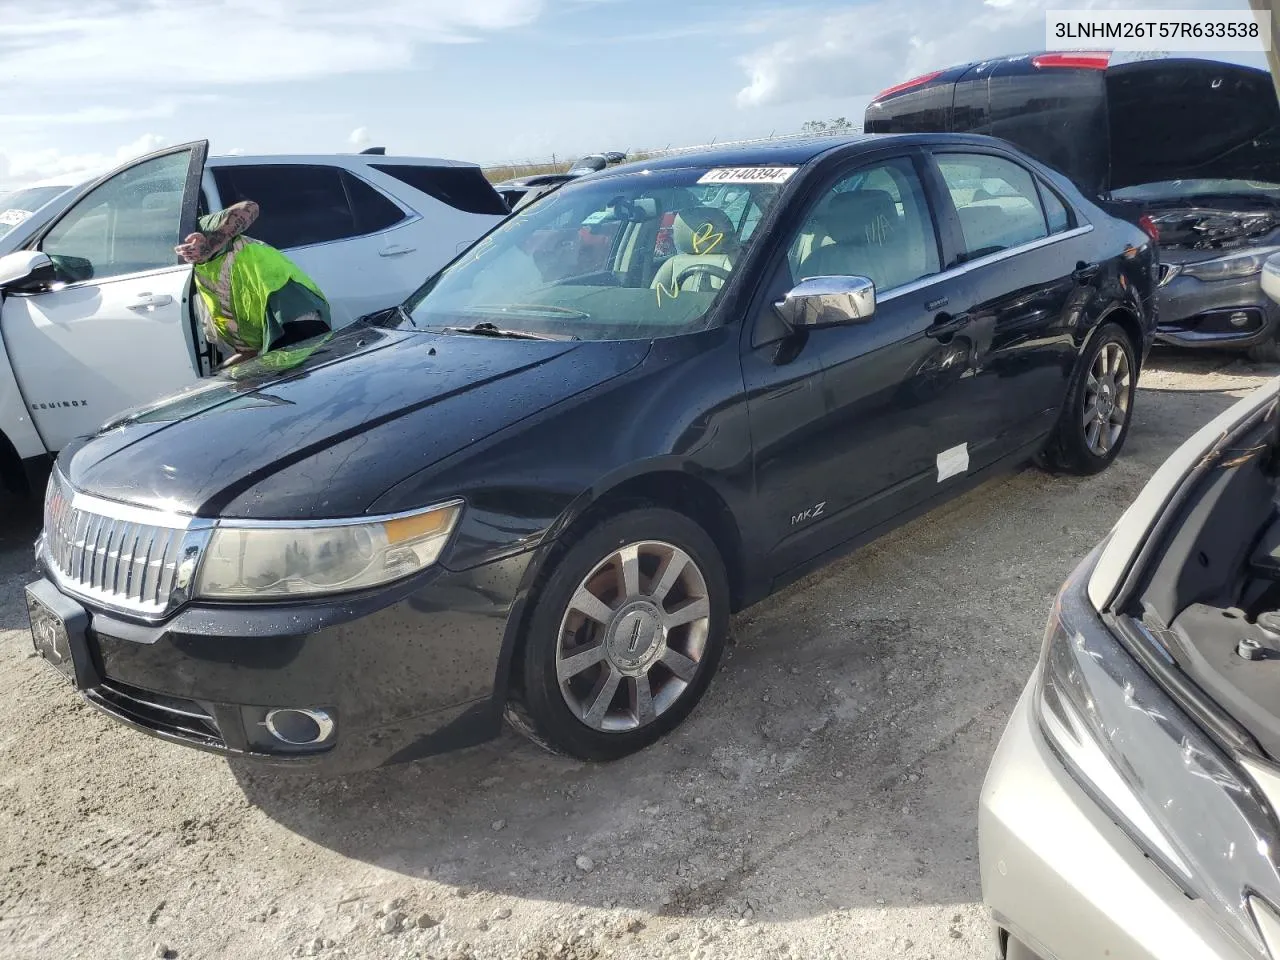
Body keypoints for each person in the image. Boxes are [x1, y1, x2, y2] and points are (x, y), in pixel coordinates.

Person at [175, 200, 332, 369]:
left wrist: (209, 244)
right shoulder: (205, 286)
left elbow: (249, 208)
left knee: (306, 374)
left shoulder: (198, 226)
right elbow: (248, 353)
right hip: (270, 323)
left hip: (289, 306)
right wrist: (220, 378)